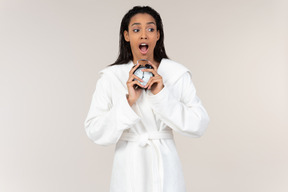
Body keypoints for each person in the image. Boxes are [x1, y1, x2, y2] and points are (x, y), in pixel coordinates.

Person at [84, 6, 210, 192]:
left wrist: (162, 96)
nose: (143, 35)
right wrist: (128, 102)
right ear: (126, 36)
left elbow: (199, 124)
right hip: (128, 167)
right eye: (136, 30)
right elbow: (94, 130)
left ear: (158, 35)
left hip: (166, 167)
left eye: (150, 29)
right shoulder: (111, 77)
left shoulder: (176, 74)